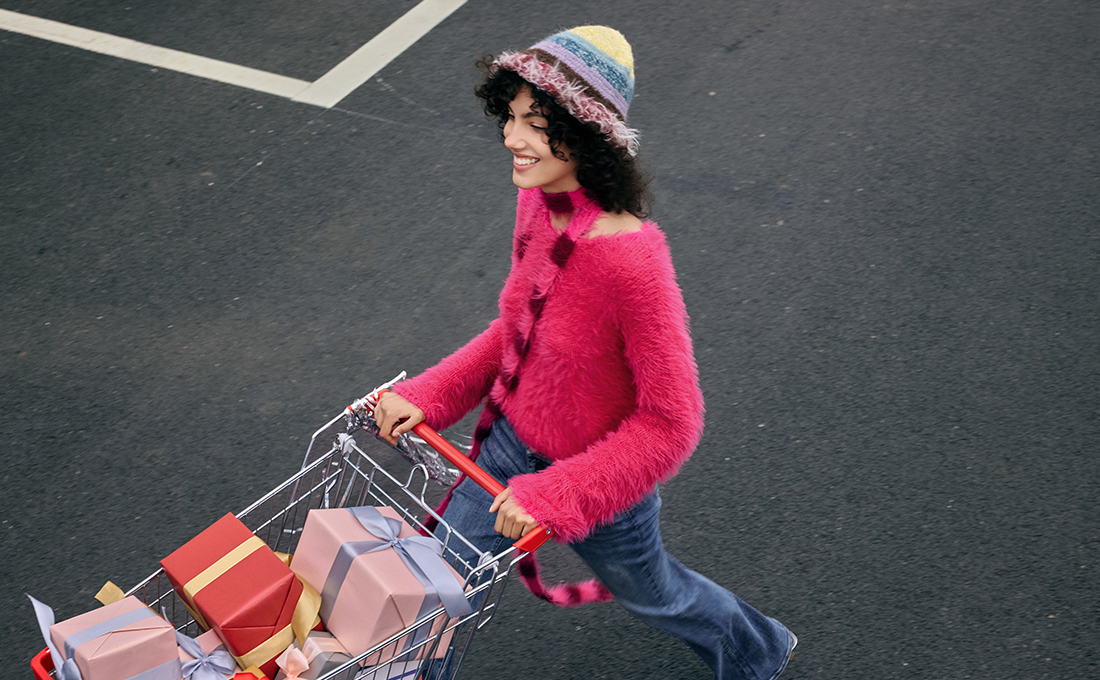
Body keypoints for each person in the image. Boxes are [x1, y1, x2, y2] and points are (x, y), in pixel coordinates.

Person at [373, 26, 796, 680]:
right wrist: (428, 394)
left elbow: (673, 423)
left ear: (588, 132)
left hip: (598, 479)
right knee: (436, 593)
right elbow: (515, 328)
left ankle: (755, 650)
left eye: (535, 124)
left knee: (656, 597)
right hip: (509, 447)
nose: (512, 138)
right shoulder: (538, 205)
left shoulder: (633, 264)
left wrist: (557, 492)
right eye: (510, 118)